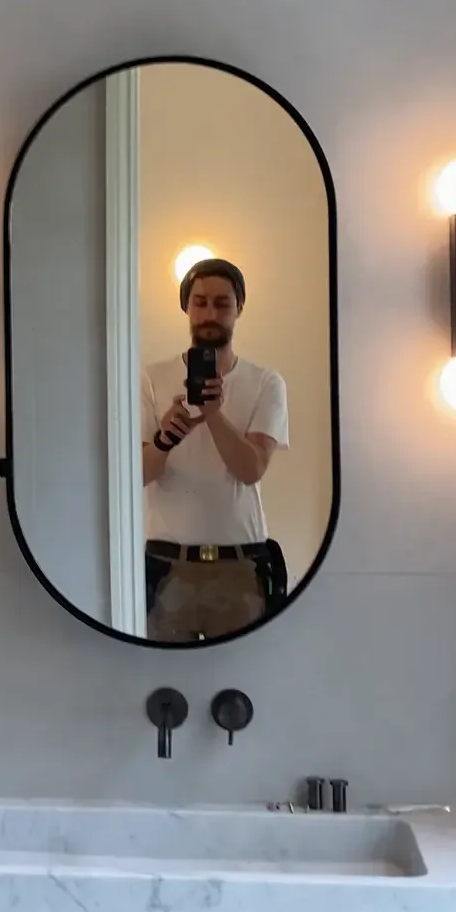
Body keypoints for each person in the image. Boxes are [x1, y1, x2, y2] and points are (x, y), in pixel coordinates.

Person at [142, 258, 289, 643]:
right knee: (161, 672)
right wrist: (166, 438)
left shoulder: (265, 382)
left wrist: (212, 414)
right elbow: (137, 474)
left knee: (241, 671)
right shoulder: (150, 378)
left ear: (239, 308)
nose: (210, 313)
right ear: (186, 307)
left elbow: (251, 469)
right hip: (167, 565)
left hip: (240, 565)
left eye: (222, 303)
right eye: (200, 302)